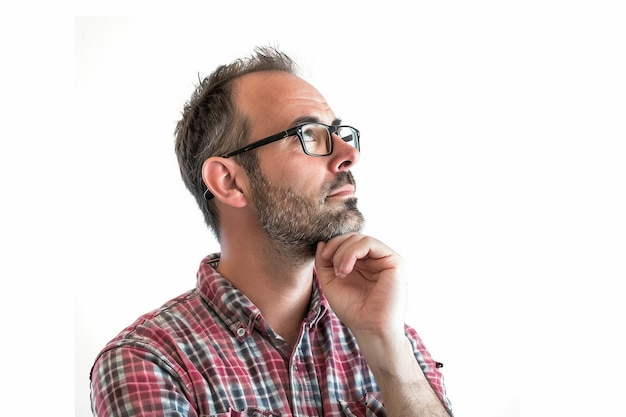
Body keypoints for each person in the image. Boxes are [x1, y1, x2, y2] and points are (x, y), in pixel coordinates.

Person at [89, 45, 453, 417]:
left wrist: (388, 352)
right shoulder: (151, 361)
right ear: (229, 181)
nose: (348, 154)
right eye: (309, 134)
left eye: (338, 132)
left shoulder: (392, 337)